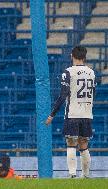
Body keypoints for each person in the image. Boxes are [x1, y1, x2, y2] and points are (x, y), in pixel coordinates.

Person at [45, 46, 96, 178]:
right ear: (84, 57)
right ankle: (85, 175)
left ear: (71, 56)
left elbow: (63, 95)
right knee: (84, 144)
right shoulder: (91, 72)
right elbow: (93, 93)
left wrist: (52, 114)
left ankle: (72, 174)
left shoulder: (68, 72)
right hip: (87, 114)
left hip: (73, 114)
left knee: (71, 143)